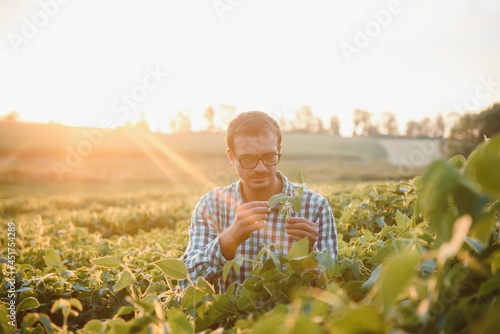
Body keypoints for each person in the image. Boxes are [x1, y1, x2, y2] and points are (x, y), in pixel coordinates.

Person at [180, 111, 338, 292]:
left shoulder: (315, 207)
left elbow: (331, 289)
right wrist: (229, 239)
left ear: (279, 150)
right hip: (232, 320)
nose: (260, 168)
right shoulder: (212, 206)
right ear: (232, 158)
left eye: (269, 156)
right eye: (248, 159)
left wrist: (310, 255)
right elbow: (186, 284)